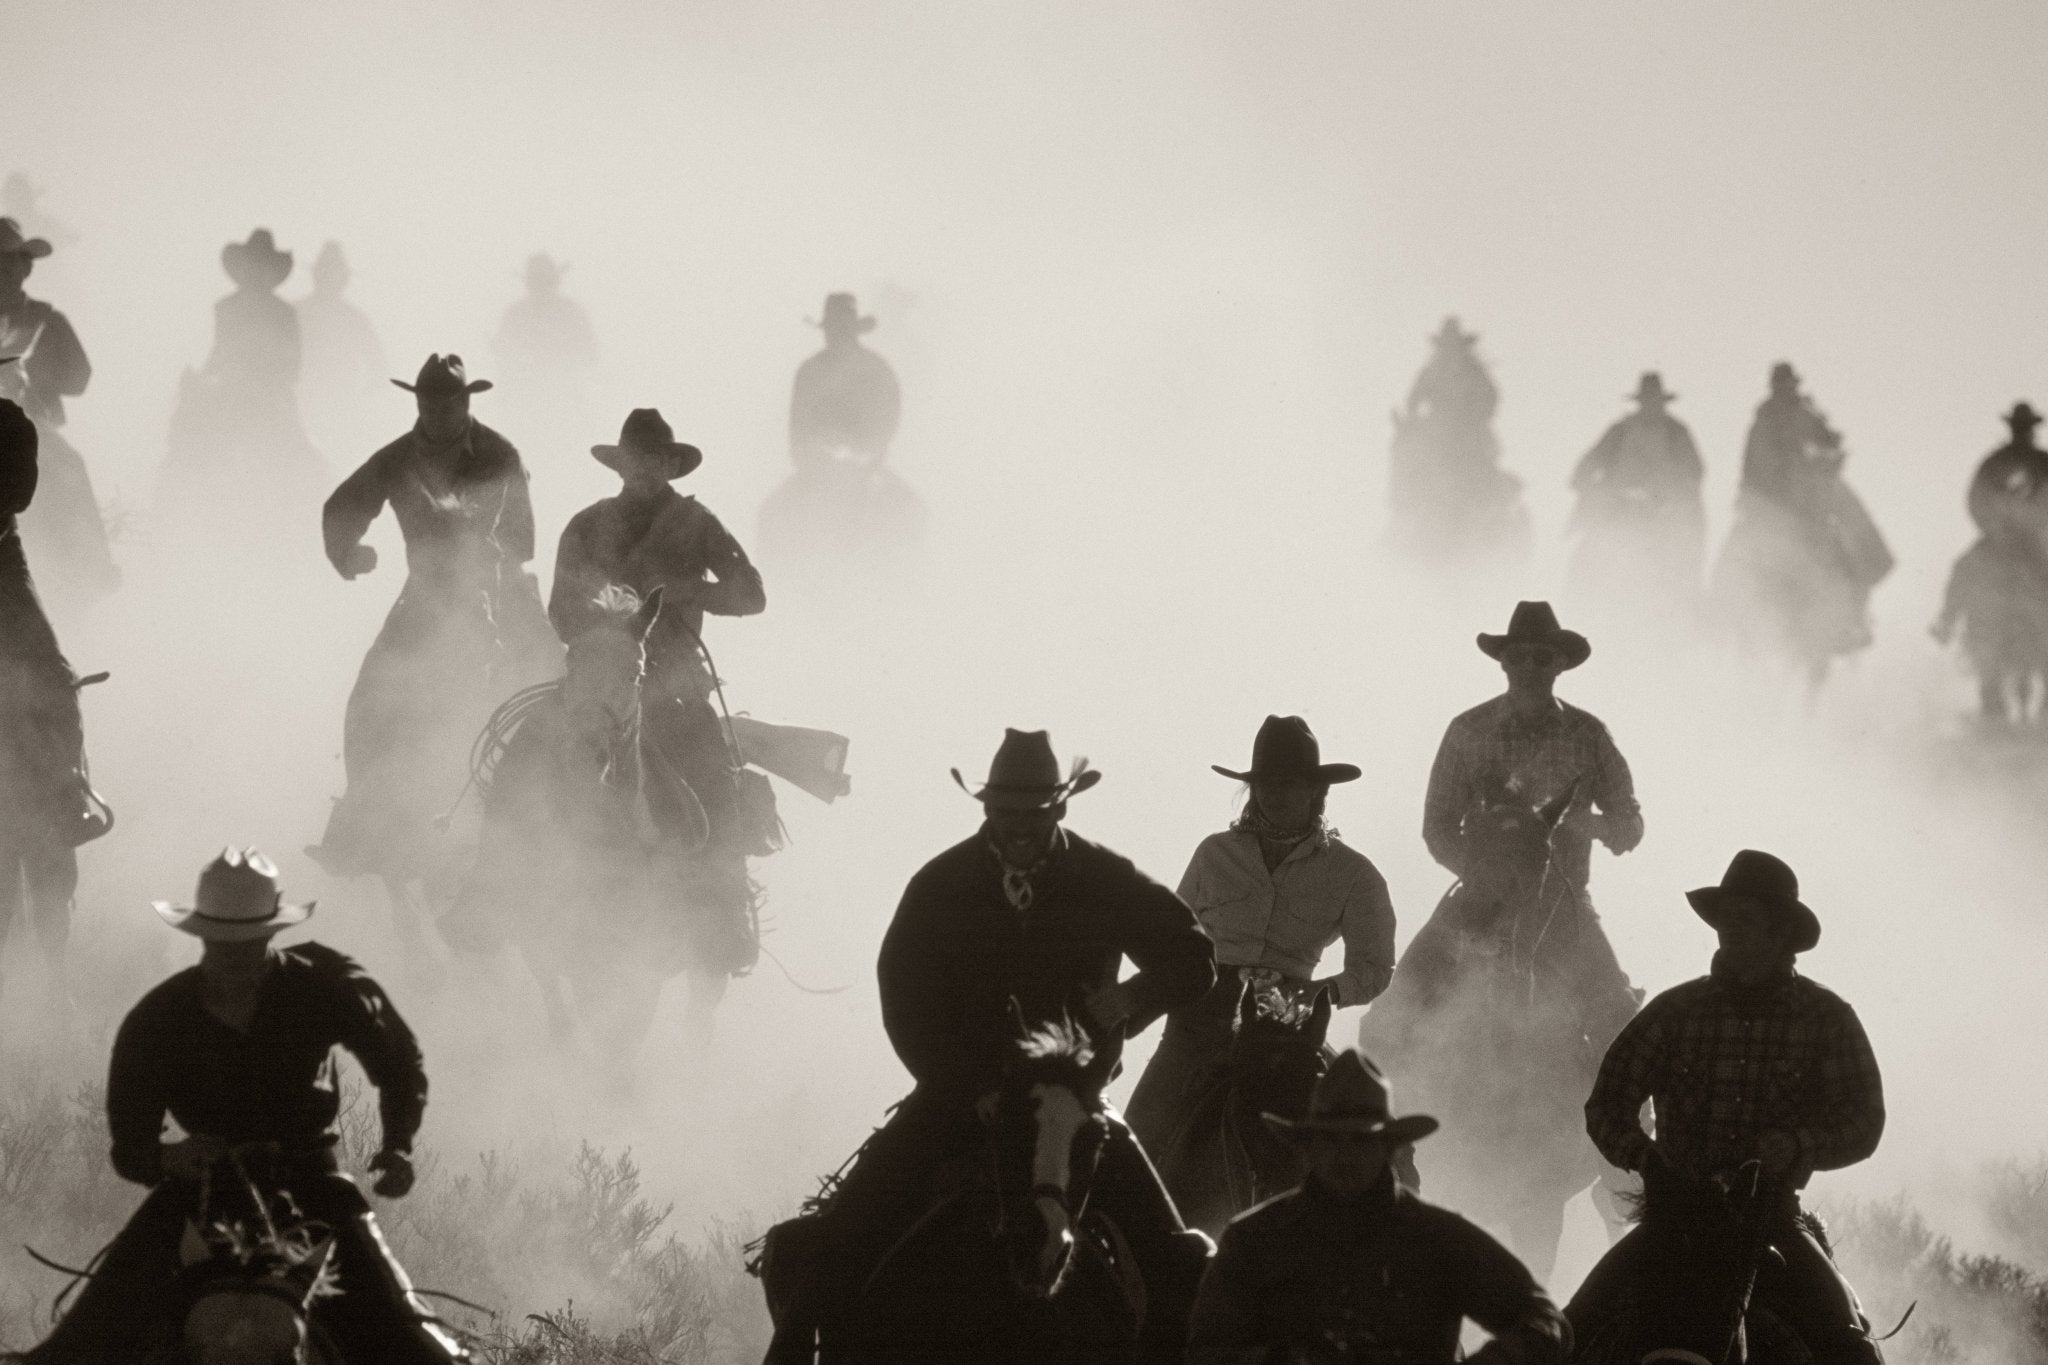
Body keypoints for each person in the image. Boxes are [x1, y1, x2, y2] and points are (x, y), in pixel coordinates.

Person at [765, 729, 1216, 1361]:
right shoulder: (939, 886)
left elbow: (1193, 957)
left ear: (1059, 809)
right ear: (986, 809)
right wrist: (968, 1087)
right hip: (958, 1097)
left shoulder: (1105, 878)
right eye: (1008, 812)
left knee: (1181, 1262)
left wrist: (1132, 998)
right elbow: (905, 1002)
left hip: (1077, 1108)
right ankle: (793, 1346)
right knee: (829, 1246)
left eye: (1035, 813)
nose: (1021, 826)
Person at [22, 849, 465, 1364]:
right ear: (201, 934)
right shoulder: (159, 1017)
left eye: (246, 941)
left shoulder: (321, 985)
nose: (234, 953)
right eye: (222, 941)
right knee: (72, 1355)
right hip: (198, 1197)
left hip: (313, 1190)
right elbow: (130, 1145)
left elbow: (399, 1062)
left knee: (420, 1352)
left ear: (270, 933)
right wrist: (168, 1159)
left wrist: (398, 1146)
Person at [1571, 850, 1886, 1365]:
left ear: (1780, 932)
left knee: (1849, 1351)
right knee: (1560, 1335)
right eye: (1724, 920)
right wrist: (1647, 1159)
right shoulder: (1675, 1012)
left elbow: (1864, 1122)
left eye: (1745, 920)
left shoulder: (1827, 1018)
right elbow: (1607, 1103)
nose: (1727, 932)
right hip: (1675, 1215)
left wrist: (1799, 1146)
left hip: (1772, 1215)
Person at [310, 354, 561, 889]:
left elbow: (524, 541)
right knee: (369, 695)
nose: (439, 413)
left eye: (449, 403)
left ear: (466, 402)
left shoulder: (500, 455)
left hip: (497, 584)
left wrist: (472, 545)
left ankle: (563, 808)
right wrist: (346, 552)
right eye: (429, 403)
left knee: (555, 676)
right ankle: (359, 819)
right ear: (418, 403)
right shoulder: (397, 459)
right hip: (424, 594)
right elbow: (343, 506)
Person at [549, 407, 767, 990]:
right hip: (596, 677)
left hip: (675, 687)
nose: (645, 469)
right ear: (621, 464)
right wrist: (603, 629)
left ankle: (725, 922)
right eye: (636, 458)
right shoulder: (585, 525)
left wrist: (686, 591)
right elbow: (558, 611)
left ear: (670, 465)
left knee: (717, 785)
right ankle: (495, 888)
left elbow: (750, 595)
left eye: (656, 459)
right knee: (527, 767)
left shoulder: (697, 525)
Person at [1187, 1048, 1571, 1364]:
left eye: (1360, 1141)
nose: (1344, 1155)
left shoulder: (1439, 1238)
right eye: (1332, 1141)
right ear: (1310, 1146)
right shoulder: (1253, 1240)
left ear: (1388, 1148)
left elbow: (1542, 1319)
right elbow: (1206, 1353)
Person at [1127, 714, 1396, 1166]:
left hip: (1290, 1026)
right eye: (1267, 783)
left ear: (1317, 791)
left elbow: (1374, 968)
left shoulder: (1355, 874)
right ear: (1253, 790)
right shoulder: (1213, 854)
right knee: (1133, 1141)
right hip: (1198, 1022)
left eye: (1291, 783)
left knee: (1386, 1155)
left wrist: (1319, 992)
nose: (1277, 794)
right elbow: (1170, 937)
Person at [1418, 600, 1642, 1053]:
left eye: (1542, 657)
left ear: (1560, 664)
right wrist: (1483, 874)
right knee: (1394, 1012)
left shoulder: (1589, 734)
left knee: (1619, 1021)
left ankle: (1633, 1122)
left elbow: (1630, 825)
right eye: (1518, 656)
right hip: (1479, 903)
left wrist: (1582, 823)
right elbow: (1437, 827)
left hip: (1565, 906)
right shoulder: (1467, 730)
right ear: (1503, 661)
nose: (1529, 666)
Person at [0, 381, 107, 995]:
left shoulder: (9, 424)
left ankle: (69, 789)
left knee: (48, 674)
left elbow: (15, 492)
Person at [0, 216, 116, 608]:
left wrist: (41, 379)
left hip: (30, 423)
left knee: (67, 464)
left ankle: (94, 565)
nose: (4, 272)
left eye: (10, 263)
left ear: (25, 268)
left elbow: (79, 377)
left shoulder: (46, 320)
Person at [1567, 372, 1707, 614]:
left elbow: (1695, 472)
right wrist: (1590, 488)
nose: (1651, 406)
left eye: (1655, 400)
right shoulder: (1620, 431)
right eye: (1647, 400)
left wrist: (1670, 495)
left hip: (1662, 512)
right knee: (1588, 561)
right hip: (1618, 509)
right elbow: (1588, 464)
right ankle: (1580, 609)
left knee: (1680, 566)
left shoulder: (1676, 433)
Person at [296, 240, 389, 460]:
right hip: (315, 403)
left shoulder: (295, 313)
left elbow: (378, 366)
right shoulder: (353, 318)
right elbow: (378, 366)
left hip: (330, 404)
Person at [788, 291, 901, 468]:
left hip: (867, 468)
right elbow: (798, 428)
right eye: (832, 329)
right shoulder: (809, 372)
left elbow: (888, 420)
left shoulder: (876, 370)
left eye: (841, 329)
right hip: (817, 469)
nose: (835, 335)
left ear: (852, 332)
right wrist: (812, 458)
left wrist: (866, 455)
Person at [1966, 402, 2048, 557]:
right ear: (2012, 428)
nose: (2022, 432)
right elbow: (1976, 500)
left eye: (2025, 427)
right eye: (2019, 427)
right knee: (1968, 569)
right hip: (2000, 540)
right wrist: (1995, 531)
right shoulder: (1994, 463)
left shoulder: (2044, 463)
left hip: (2038, 541)